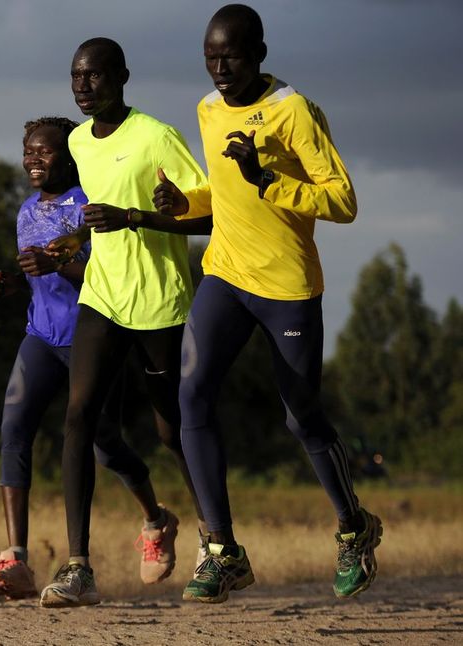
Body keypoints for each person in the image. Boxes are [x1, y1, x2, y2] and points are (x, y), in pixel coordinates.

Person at [152, 4, 381, 603]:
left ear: (259, 53)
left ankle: (355, 527)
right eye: (209, 56)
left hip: (288, 289)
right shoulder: (205, 109)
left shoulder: (292, 111)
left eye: (230, 55)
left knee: (300, 416)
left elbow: (343, 200)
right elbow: (221, 195)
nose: (219, 68)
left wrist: (267, 181)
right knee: (191, 395)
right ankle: (222, 550)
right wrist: (183, 201)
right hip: (225, 275)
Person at [38, 38, 213, 608]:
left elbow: (206, 213)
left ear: (122, 77)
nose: (82, 86)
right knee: (78, 417)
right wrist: (76, 236)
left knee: (171, 430)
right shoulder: (78, 142)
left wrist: (139, 215)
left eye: (93, 75)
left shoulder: (157, 136)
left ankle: (217, 542)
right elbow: (98, 212)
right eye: (75, 77)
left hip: (160, 302)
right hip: (103, 297)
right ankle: (79, 567)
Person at [0, 117, 178, 601]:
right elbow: (38, 275)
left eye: (43, 152)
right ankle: (16, 559)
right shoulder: (26, 210)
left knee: (105, 445)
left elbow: (105, 269)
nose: (33, 161)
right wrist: (14, 283)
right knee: (14, 429)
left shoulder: (89, 203)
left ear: (69, 156)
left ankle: (156, 521)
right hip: (40, 335)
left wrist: (59, 264)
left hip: (92, 336)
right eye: (27, 153)